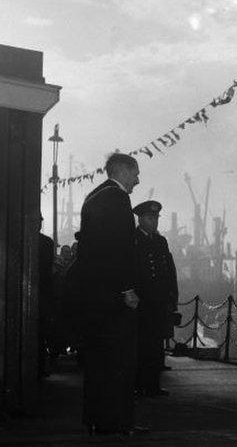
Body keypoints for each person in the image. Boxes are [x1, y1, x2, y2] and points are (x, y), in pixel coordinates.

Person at [67, 153, 146, 436]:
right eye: (135, 173)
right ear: (123, 171)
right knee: (120, 361)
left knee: (98, 363)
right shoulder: (117, 200)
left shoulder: (95, 196)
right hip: (112, 297)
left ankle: (97, 419)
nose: (138, 180)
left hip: (93, 296)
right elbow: (119, 250)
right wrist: (128, 289)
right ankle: (118, 421)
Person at [131, 200, 179, 397]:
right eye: (150, 218)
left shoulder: (161, 242)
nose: (154, 222)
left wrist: (171, 297)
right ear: (141, 219)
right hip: (142, 302)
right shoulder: (132, 240)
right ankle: (138, 384)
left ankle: (152, 384)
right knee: (140, 345)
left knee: (156, 345)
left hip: (158, 302)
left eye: (156, 218)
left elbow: (168, 272)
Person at [38, 218, 56, 377]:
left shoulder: (46, 243)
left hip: (42, 292)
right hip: (43, 292)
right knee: (42, 333)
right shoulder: (47, 243)